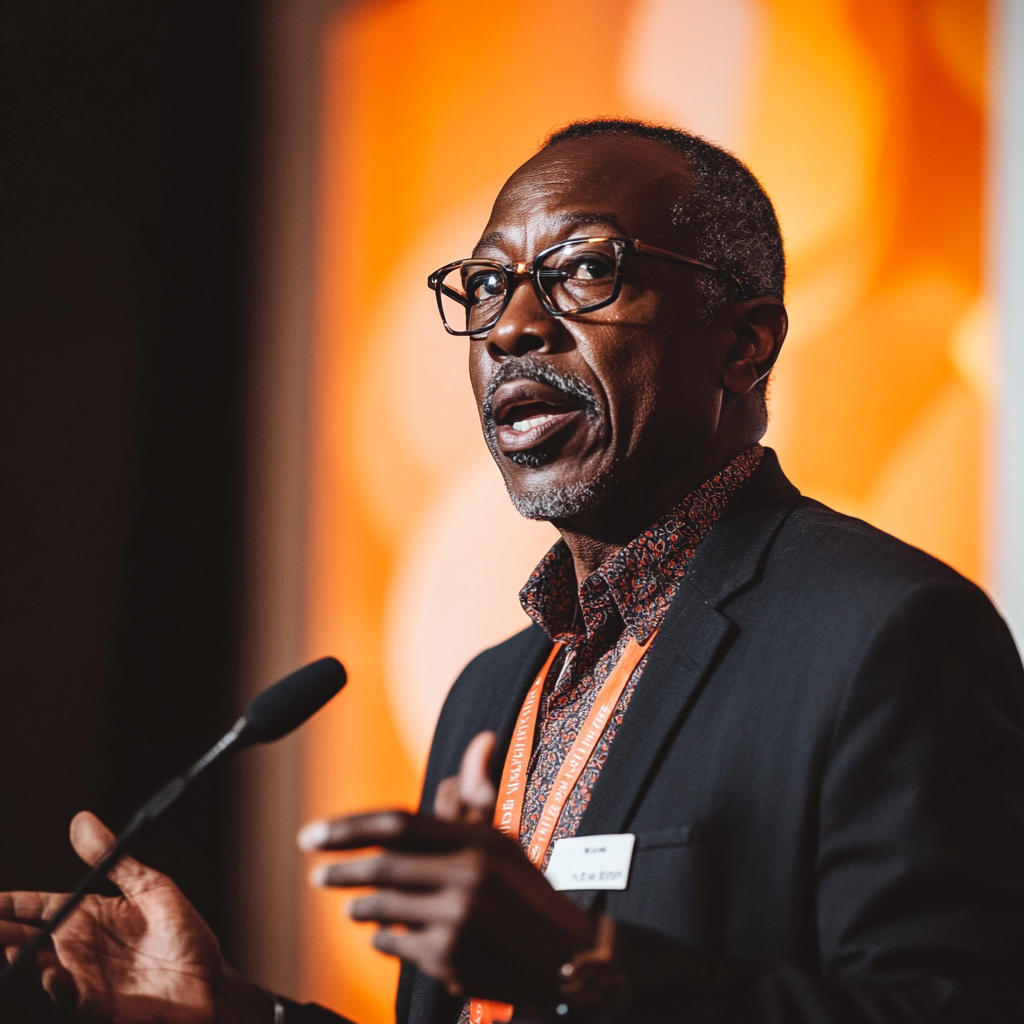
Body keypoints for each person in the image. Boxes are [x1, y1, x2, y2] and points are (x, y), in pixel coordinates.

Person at [3, 119, 1024, 1024]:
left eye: (585, 269)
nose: (510, 326)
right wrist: (240, 1012)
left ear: (744, 345)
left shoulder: (888, 636)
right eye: (486, 284)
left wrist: (586, 966)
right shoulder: (491, 693)